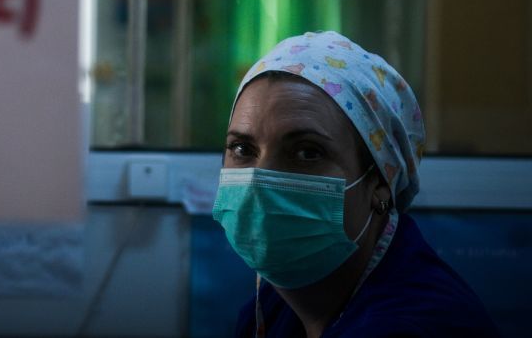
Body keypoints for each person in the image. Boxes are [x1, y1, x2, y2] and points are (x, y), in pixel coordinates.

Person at [212, 31, 498, 337]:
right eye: (242, 148)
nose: (259, 181)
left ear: (380, 182)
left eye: (307, 153)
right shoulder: (280, 302)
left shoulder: (409, 327)